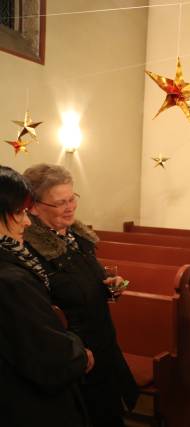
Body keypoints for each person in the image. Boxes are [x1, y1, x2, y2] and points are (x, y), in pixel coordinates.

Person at [22, 164, 138, 427]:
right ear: (33, 206)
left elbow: (85, 284)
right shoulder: (29, 250)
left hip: (103, 345)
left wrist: (110, 286)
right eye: (60, 202)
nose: (70, 207)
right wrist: (75, 352)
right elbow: (43, 315)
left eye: (72, 198)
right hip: (75, 359)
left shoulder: (77, 237)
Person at [0, 165, 92, 427]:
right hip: (27, 403)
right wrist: (79, 351)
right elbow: (47, 356)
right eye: (19, 212)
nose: (26, 221)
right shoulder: (11, 279)